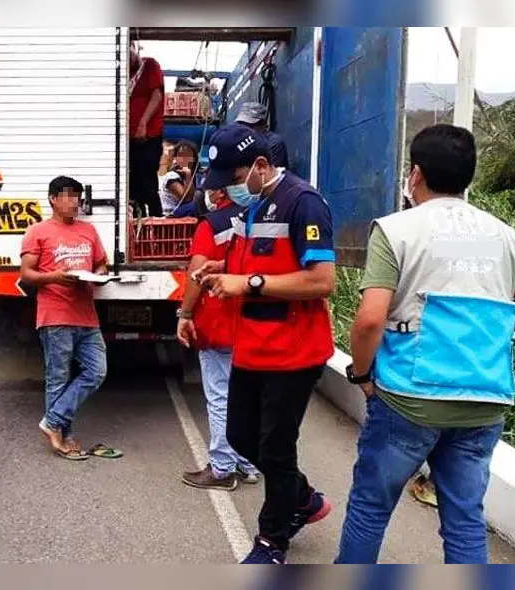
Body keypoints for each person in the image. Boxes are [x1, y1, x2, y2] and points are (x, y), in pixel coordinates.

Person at [334, 124, 515, 564]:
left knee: (370, 507)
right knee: (464, 520)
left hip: (408, 399)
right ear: (467, 178)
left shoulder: (396, 229)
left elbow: (369, 321)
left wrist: (362, 375)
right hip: (483, 401)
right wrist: (488, 323)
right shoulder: (505, 235)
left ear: (414, 174)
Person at [198, 125, 336, 564]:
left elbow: (321, 281)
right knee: (239, 435)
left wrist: (248, 283)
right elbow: (253, 259)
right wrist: (221, 268)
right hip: (253, 348)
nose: (227, 190)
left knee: (276, 450)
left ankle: (271, 542)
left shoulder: (304, 203)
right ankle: (304, 498)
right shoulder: (255, 205)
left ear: (260, 166)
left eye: (231, 179)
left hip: (293, 351)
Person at [20, 175, 120, 461]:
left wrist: (100, 275)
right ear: (53, 199)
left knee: (96, 371)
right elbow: (26, 273)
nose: (75, 201)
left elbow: (101, 262)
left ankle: (52, 422)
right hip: (55, 315)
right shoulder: (37, 231)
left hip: (86, 315)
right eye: (68, 196)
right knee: (58, 377)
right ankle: (63, 435)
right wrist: (55, 277)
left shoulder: (88, 231)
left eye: (77, 196)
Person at [176, 187, 261, 491]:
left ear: (218, 191)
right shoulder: (260, 218)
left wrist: (185, 314)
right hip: (252, 323)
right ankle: (249, 464)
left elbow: (197, 273)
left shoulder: (211, 224)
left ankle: (222, 468)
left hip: (218, 322)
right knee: (248, 395)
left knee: (220, 396)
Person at [128, 41, 165, 218]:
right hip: (128, 140)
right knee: (132, 190)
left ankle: (158, 228)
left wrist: (143, 123)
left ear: (134, 48)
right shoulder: (122, 74)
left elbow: (157, 95)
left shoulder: (149, 65)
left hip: (149, 137)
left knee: (148, 186)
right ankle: (137, 232)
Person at [235, 102, 290, 170]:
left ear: (262, 124)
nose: (244, 129)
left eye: (249, 125)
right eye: (241, 124)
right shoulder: (242, 142)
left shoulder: (274, 142)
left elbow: (264, 173)